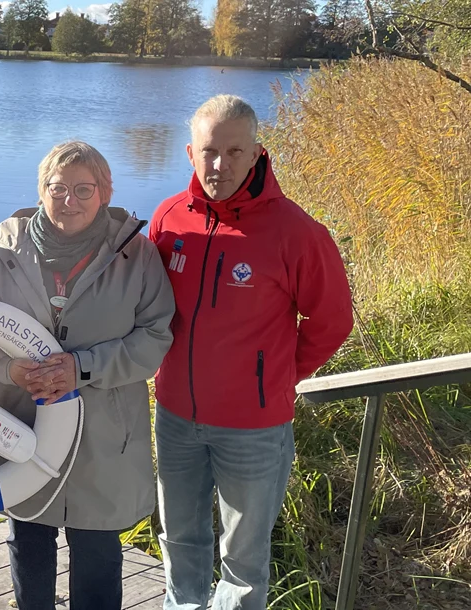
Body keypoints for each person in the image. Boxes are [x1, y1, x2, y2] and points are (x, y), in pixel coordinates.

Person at [149, 94, 353, 609]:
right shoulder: (170, 220)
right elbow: (144, 307)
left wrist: (276, 377)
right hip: (174, 416)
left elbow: (331, 322)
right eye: (208, 151)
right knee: (180, 543)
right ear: (189, 153)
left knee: (242, 562)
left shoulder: (296, 232)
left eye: (234, 151)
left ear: (258, 152)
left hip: (253, 427)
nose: (220, 165)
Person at [0, 141, 175, 610]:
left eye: (84, 189)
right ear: (41, 191)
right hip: (20, 426)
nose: (70, 200)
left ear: (105, 192)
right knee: (29, 546)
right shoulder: (1, 254)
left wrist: (83, 367)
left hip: (101, 438)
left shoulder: (137, 257)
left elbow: (155, 338)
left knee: (99, 554)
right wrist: (10, 370)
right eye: (58, 188)